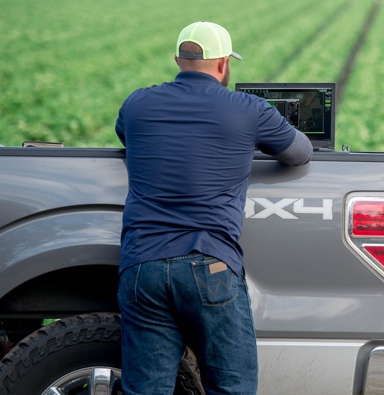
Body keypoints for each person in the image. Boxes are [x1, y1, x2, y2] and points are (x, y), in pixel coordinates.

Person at [115, 21, 313, 394]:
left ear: (178, 59)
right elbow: (300, 152)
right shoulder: (248, 109)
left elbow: (126, 133)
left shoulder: (137, 103)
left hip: (142, 267)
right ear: (223, 64)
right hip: (210, 263)